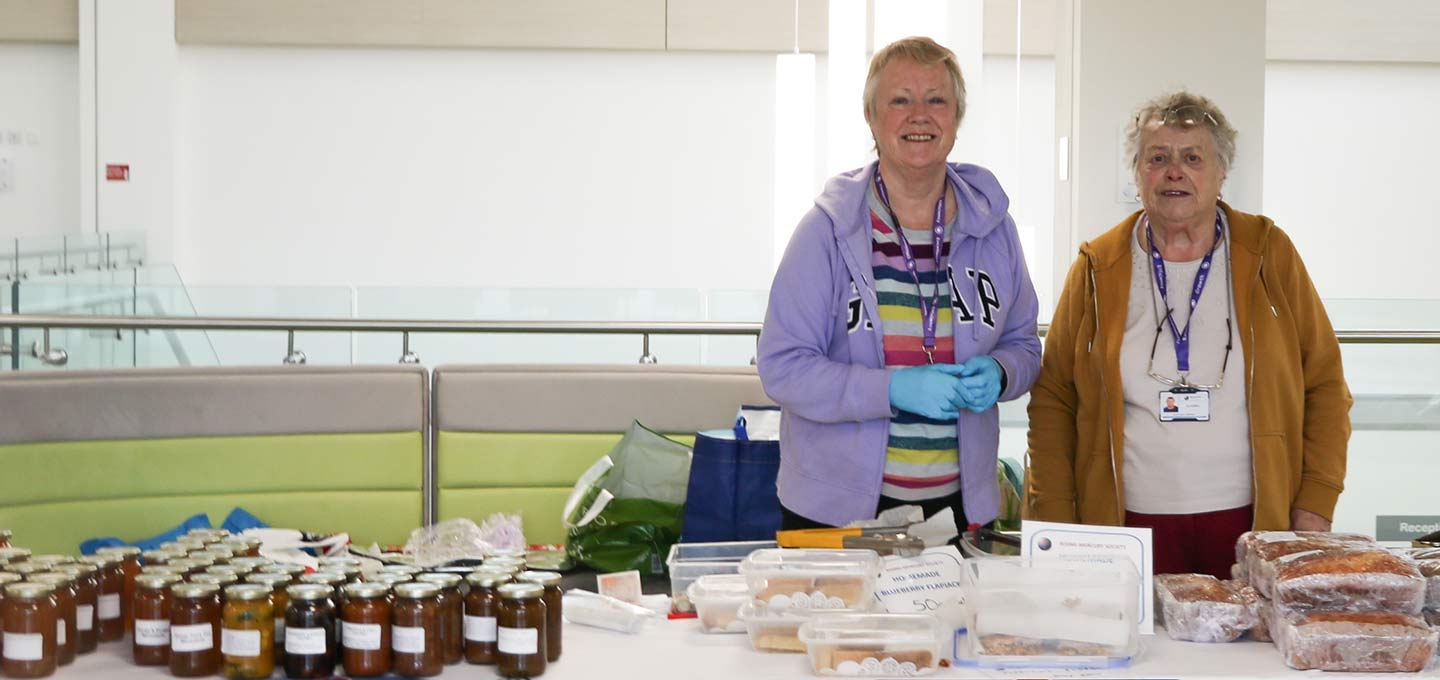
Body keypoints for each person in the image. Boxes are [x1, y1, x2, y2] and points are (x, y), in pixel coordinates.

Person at [1024, 91, 1352, 578]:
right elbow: (1054, 400)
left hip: (1254, 522)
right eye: (1157, 158)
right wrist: (1055, 519)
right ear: (1137, 174)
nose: (1174, 172)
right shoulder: (1098, 266)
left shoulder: (1269, 255)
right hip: (1124, 526)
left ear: (1221, 173)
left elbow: (1324, 384)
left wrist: (1316, 504)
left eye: (1192, 158)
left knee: (1247, 656)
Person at [757, 37, 1041, 532]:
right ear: (871, 116)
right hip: (834, 513)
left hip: (956, 512)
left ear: (956, 117)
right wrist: (892, 389)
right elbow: (783, 368)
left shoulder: (995, 229)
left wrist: (1001, 372)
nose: (920, 116)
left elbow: (1024, 345)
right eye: (900, 100)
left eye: (936, 100)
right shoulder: (826, 231)